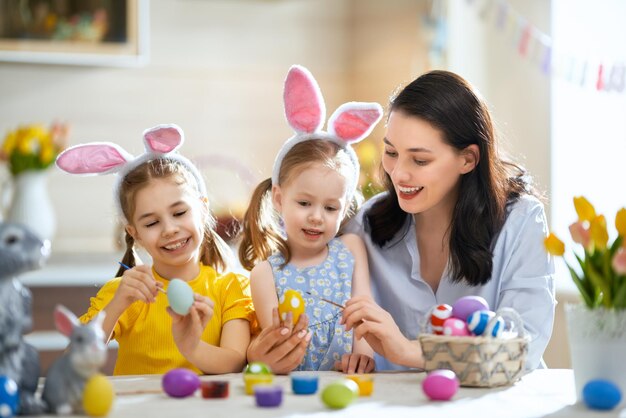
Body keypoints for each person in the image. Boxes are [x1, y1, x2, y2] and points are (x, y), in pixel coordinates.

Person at [339, 70, 556, 371]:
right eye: (391, 152)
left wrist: (411, 353)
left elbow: (522, 345)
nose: (398, 173)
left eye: (420, 160)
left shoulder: (520, 221)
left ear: (468, 159)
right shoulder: (367, 224)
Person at [55, 124, 254, 375]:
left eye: (179, 212)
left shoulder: (230, 288)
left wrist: (191, 346)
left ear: (203, 209)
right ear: (134, 232)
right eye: (151, 222)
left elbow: (235, 362)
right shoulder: (125, 293)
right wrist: (117, 305)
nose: (169, 229)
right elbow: (71, 362)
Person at [239, 65, 383, 373]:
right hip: (292, 391)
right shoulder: (264, 274)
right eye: (304, 203)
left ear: (344, 210)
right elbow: (277, 347)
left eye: (331, 208)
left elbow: (364, 310)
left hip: (349, 386)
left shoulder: (352, 249)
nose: (317, 217)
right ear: (279, 198)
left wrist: (363, 356)